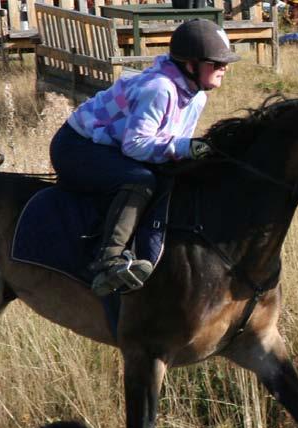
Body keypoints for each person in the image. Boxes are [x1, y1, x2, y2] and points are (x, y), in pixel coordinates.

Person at [49, 19, 240, 296]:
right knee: (142, 180)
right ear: (190, 65)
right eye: (216, 63)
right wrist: (187, 148)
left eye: (224, 63)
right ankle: (109, 260)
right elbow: (136, 146)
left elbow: (170, 146)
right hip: (76, 147)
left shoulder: (197, 95)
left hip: (108, 147)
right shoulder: (160, 89)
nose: (224, 69)